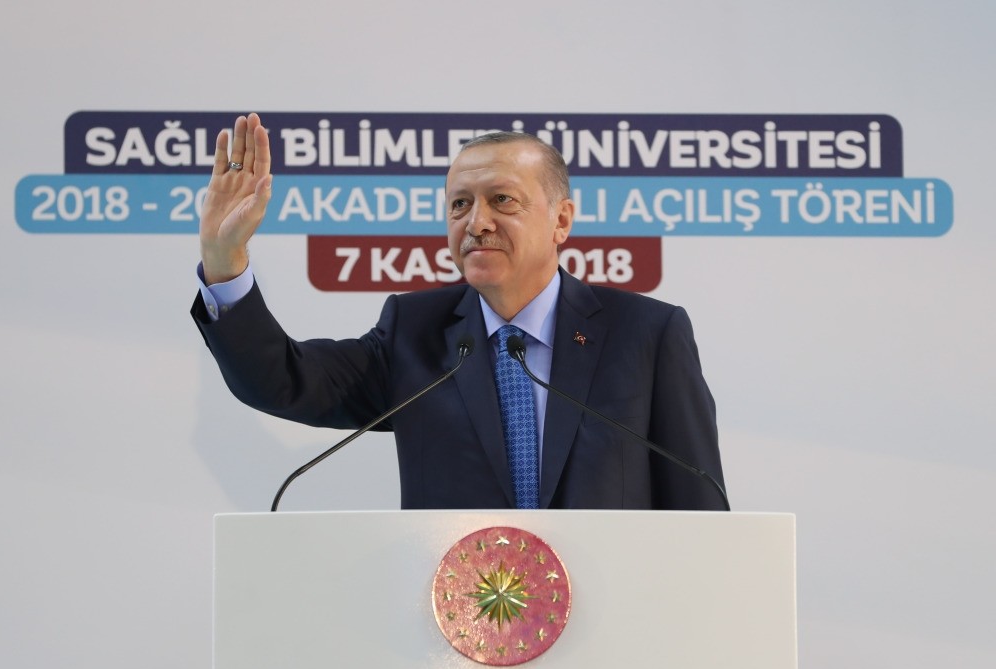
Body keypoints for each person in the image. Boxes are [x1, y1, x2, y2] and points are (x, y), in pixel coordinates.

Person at [192, 113, 726, 510]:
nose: (476, 223)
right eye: (460, 203)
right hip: (456, 621)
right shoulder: (413, 332)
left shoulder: (646, 334)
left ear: (561, 221)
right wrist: (224, 260)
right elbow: (283, 381)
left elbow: (699, 503)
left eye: (502, 200)